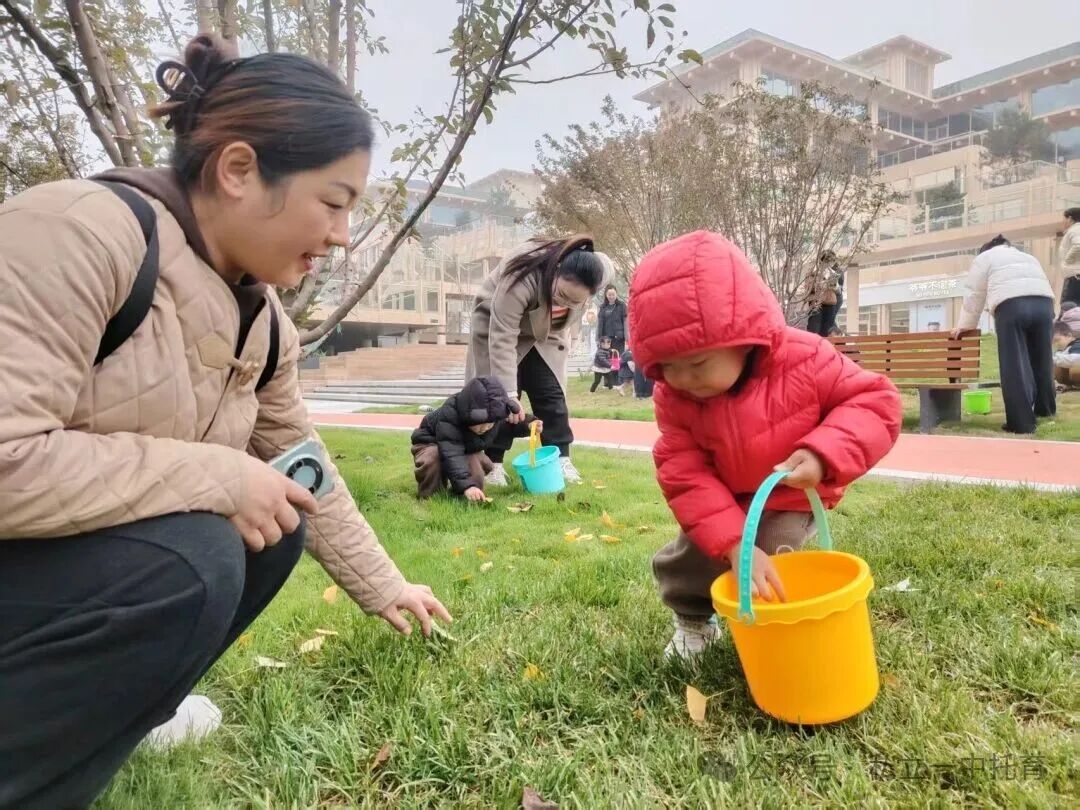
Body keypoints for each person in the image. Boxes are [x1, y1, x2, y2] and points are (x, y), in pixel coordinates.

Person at [0, 35, 449, 809]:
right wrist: (216, 475)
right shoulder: (77, 232)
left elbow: (304, 468)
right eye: (334, 202)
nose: (343, 235)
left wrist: (386, 587)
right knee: (198, 553)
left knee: (276, 523)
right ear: (238, 170)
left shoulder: (263, 321)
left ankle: (129, 710)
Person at [628, 231, 901, 659]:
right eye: (666, 367)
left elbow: (875, 402)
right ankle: (694, 621)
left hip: (786, 494)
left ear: (742, 336)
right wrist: (732, 542)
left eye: (697, 362)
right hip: (721, 492)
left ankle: (778, 622)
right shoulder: (675, 394)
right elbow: (682, 470)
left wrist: (822, 454)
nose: (681, 379)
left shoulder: (807, 357)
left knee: (774, 548)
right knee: (698, 552)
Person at [464, 235, 612, 487]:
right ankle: (492, 463)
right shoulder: (521, 276)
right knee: (499, 399)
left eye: (575, 302)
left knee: (551, 394)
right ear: (556, 270)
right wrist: (509, 393)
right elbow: (503, 336)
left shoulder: (598, 271)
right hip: (497, 326)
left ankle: (561, 458)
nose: (564, 303)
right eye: (561, 294)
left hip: (545, 332)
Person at [952, 235, 1056, 434]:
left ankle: (1022, 423)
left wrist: (965, 325)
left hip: (1012, 305)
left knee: (1014, 364)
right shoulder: (1029, 257)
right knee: (1043, 360)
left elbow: (974, 293)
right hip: (1044, 305)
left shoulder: (984, 258)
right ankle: (1046, 411)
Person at [410, 376, 540, 500]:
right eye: (480, 423)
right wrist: (466, 486)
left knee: (474, 465)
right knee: (433, 459)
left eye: (490, 424)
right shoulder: (450, 415)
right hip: (430, 443)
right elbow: (452, 452)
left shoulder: (493, 417)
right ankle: (432, 497)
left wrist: (529, 425)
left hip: (464, 447)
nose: (485, 428)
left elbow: (508, 425)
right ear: (467, 414)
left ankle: (471, 496)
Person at [805, 250, 848, 337]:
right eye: (826, 260)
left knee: (828, 326)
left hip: (831, 301)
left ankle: (834, 338)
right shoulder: (814, 271)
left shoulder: (837, 272)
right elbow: (808, 287)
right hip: (816, 302)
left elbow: (839, 290)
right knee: (815, 326)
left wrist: (834, 286)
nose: (829, 263)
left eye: (831, 261)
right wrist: (821, 283)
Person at [597, 283, 629, 352]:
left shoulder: (621, 305)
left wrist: (627, 337)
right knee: (606, 356)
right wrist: (598, 338)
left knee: (617, 356)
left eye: (613, 294)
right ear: (606, 295)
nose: (611, 297)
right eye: (609, 295)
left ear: (616, 294)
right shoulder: (603, 307)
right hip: (606, 340)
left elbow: (625, 322)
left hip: (618, 338)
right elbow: (599, 324)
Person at [1059, 207, 1080, 307]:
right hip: (1075, 276)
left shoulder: (1075, 229)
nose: (1062, 221)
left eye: (1064, 218)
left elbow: (1078, 245)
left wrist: (1067, 261)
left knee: (1068, 307)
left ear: (1070, 218)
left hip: (1075, 277)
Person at [1052, 321, 1080, 387]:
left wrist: (1052, 359)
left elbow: (1076, 359)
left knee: (1074, 370)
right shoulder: (1060, 351)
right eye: (1053, 342)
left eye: (1057, 340)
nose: (1056, 344)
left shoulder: (1076, 345)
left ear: (1069, 335)